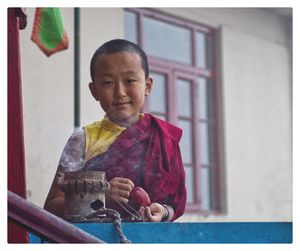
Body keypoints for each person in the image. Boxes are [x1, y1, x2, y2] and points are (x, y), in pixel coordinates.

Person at [44, 39, 186, 222]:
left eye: (130, 81)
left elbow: (174, 206)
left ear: (147, 86)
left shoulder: (163, 137)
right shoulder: (82, 140)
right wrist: (101, 197)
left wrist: (163, 212)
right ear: (94, 91)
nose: (120, 92)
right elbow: (52, 207)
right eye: (107, 83)